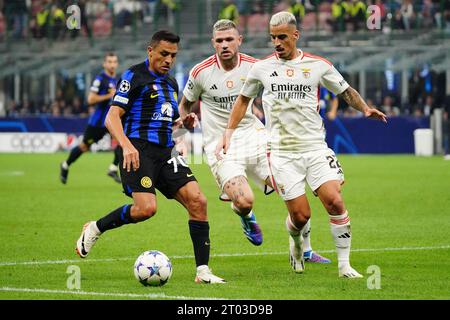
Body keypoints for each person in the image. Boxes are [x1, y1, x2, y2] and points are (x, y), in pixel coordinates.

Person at [216, 12, 387, 278]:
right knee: (300, 216)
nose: (276, 42)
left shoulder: (318, 65)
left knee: (335, 202)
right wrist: (229, 131)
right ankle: (296, 246)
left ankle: (344, 266)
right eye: (272, 37)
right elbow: (242, 101)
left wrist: (365, 109)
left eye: (282, 37)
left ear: (296, 35)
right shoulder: (261, 68)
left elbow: (345, 90)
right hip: (282, 154)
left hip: (316, 148)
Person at [75, 30, 225, 284]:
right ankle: (95, 228)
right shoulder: (134, 76)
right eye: (164, 54)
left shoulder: (171, 83)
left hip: (165, 151)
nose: (168, 60)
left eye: (173, 56)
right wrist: (126, 146)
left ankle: (203, 271)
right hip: (138, 149)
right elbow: (111, 118)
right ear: (150, 51)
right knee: (146, 209)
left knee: (198, 201)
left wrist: (182, 122)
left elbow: (166, 121)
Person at [180, 19, 330, 263]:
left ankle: (306, 249)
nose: (224, 45)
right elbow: (185, 104)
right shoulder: (200, 72)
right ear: (213, 44)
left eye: (229, 39)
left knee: (291, 183)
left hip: (256, 137)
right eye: (219, 41)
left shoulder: (255, 66)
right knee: (244, 201)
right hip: (221, 146)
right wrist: (181, 135)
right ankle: (246, 216)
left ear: (240, 40)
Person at [60, 53, 122, 185]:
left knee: (123, 141)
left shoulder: (117, 79)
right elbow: (90, 99)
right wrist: (108, 96)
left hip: (111, 121)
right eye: (109, 62)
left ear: (117, 64)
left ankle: (112, 168)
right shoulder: (100, 79)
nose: (112, 64)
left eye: (114, 62)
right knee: (84, 147)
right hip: (98, 123)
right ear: (104, 64)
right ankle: (65, 164)